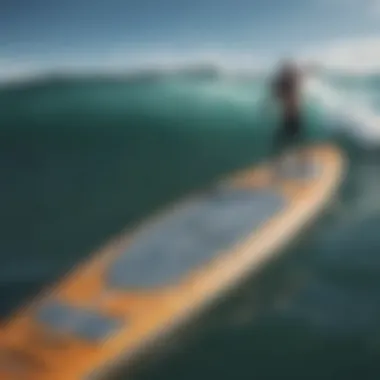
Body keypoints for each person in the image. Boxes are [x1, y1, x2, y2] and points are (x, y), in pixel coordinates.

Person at [270, 60, 306, 178]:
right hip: (287, 118)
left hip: (295, 118)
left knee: (292, 142)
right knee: (281, 141)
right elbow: (275, 94)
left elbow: (299, 77)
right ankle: (284, 165)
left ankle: (299, 167)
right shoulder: (283, 84)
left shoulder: (292, 81)